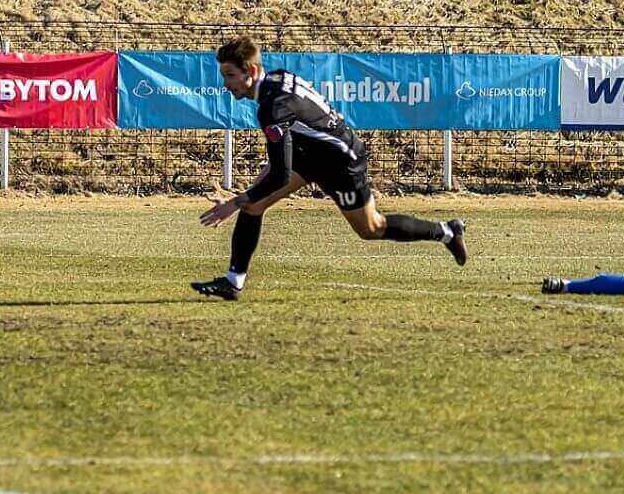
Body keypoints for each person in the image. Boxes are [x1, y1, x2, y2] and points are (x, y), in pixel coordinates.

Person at [190, 37, 468, 301]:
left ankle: (446, 231)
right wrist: (247, 196)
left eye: (230, 75)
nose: (225, 84)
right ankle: (233, 282)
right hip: (311, 156)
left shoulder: (272, 107)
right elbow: (288, 150)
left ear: (250, 71)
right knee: (254, 204)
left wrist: (233, 203)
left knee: (371, 228)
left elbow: (280, 175)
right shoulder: (276, 79)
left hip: (341, 162)